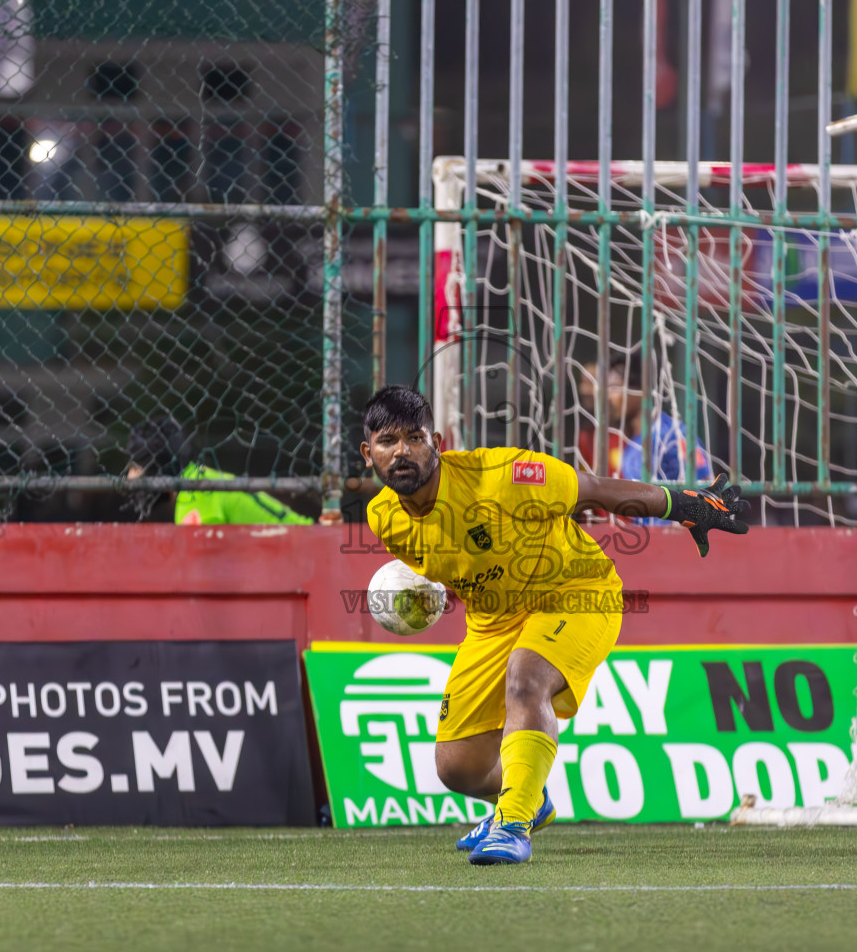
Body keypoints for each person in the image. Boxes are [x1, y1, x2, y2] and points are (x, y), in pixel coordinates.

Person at [361, 385, 750, 865]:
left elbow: (594, 489)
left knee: (527, 679)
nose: (401, 452)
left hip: (575, 591)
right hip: (493, 621)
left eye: (413, 438)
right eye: (387, 441)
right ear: (368, 453)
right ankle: (524, 795)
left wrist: (685, 505)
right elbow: (459, 562)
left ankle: (512, 823)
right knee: (458, 767)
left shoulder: (500, 477)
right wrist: (437, 597)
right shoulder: (383, 518)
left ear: (436, 442)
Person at [575, 352, 713, 524]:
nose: (608, 396)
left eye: (615, 387)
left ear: (639, 391)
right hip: (645, 540)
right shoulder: (628, 440)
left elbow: (703, 482)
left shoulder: (671, 435)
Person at [127, 416, 312, 526]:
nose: (130, 477)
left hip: (308, 550)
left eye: (137, 466)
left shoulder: (194, 494)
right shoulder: (197, 479)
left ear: (158, 465)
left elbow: (201, 569)